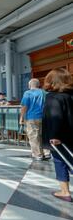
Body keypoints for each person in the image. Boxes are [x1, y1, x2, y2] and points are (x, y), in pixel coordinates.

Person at [42, 68, 73, 202]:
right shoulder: (70, 95)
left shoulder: (53, 97)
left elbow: (56, 117)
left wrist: (55, 136)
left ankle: (65, 191)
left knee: (60, 161)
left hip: (60, 137)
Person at [20, 79, 51, 161]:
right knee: (43, 135)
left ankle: (37, 154)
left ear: (29, 85)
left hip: (32, 117)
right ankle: (47, 153)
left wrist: (21, 118)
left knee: (34, 136)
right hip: (44, 117)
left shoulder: (27, 93)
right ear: (38, 85)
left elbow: (24, 107)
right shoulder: (44, 92)